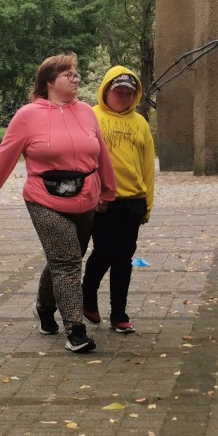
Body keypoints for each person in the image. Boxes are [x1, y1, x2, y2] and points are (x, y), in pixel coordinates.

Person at [0, 53, 117, 353]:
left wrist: (108, 190)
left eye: (76, 73)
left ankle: (43, 306)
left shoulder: (87, 113)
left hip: (86, 198)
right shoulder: (28, 115)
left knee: (62, 258)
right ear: (49, 82)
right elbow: (4, 157)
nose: (76, 78)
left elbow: (100, 153)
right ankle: (75, 331)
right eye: (68, 74)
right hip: (45, 199)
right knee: (67, 262)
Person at [82, 67, 155, 334]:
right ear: (106, 91)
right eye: (118, 91)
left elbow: (148, 165)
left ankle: (119, 313)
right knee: (104, 251)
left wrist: (148, 203)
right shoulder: (90, 116)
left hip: (133, 199)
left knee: (124, 257)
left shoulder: (140, 123)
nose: (123, 96)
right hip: (102, 200)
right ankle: (87, 296)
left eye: (129, 93)